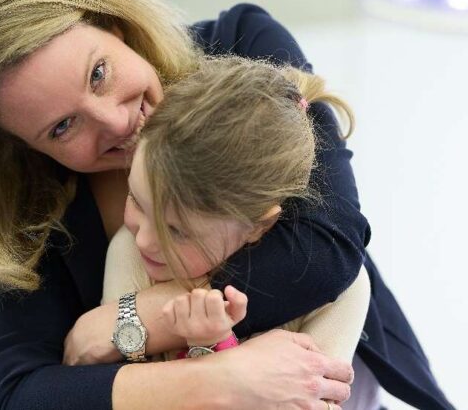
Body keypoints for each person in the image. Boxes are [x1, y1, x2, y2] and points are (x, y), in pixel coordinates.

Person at [0, 0, 455, 410]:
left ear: (112, 25)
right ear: (24, 148)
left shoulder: (239, 48)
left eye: (99, 73)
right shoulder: (19, 209)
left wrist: (132, 321)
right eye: (62, 126)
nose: (116, 122)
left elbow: (328, 249)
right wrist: (223, 381)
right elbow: (22, 394)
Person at [100, 55, 372, 370]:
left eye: (176, 231)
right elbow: (116, 389)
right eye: (136, 199)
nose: (144, 239)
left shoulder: (338, 292)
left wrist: (215, 345)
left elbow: (313, 400)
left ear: (258, 225)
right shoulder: (130, 253)